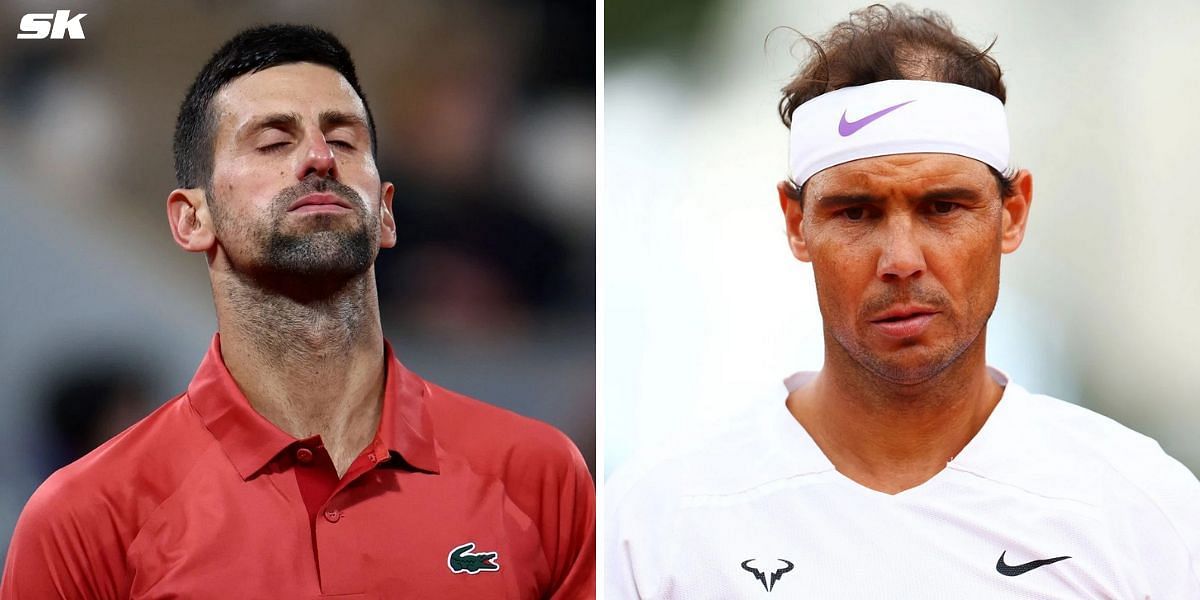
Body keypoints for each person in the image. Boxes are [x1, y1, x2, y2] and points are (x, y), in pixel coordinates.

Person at [606, 5, 1200, 598]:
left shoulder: (1141, 508)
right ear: (797, 224)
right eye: (856, 213)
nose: (901, 260)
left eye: (942, 207)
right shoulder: (653, 522)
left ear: (1011, 214)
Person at [0, 24, 594, 599]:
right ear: (191, 218)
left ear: (386, 213)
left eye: (343, 139)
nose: (318, 158)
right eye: (273, 141)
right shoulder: (84, 518)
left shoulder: (537, 476)